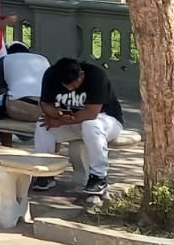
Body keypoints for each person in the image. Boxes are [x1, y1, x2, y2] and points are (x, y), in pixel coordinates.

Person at [31, 58, 124, 196]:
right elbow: (45, 104)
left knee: (91, 125)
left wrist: (62, 122)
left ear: (81, 74)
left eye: (74, 85)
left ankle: (99, 177)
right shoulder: (51, 75)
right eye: (66, 85)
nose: (70, 89)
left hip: (106, 120)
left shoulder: (96, 76)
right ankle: (46, 173)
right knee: (43, 124)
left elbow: (91, 113)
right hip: (72, 121)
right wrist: (56, 115)